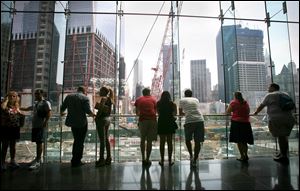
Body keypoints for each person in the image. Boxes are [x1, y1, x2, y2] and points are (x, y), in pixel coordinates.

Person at [253, 83, 295, 165]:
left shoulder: (270, 95)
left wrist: (256, 112)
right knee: (284, 137)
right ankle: (282, 153)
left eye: (269, 87)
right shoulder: (285, 94)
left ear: (273, 88)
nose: (268, 89)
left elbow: (262, 106)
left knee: (281, 137)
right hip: (289, 118)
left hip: (277, 119)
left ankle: (283, 156)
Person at [60, 86, 95, 167]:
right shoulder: (85, 98)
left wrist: (61, 113)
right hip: (81, 123)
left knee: (76, 140)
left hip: (72, 122)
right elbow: (88, 111)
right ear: (84, 91)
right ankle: (77, 160)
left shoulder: (69, 97)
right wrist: (94, 115)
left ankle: (74, 159)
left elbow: (63, 107)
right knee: (80, 141)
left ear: (77, 90)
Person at [20, 89, 51, 170]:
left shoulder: (46, 103)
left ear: (42, 94)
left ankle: (38, 160)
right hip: (35, 125)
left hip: (40, 125)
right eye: (35, 94)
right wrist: (19, 108)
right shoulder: (36, 103)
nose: (36, 95)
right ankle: (38, 158)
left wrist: (45, 122)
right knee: (37, 142)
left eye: (37, 94)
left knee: (39, 142)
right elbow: (28, 108)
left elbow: (49, 113)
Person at [179, 89, 204, 168]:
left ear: (185, 94)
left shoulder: (182, 100)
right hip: (200, 120)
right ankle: (195, 159)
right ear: (191, 94)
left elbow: (180, 113)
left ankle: (191, 155)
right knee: (198, 141)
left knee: (187, 139)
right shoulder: (196, 99)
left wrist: (186, 113)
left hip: (189, 121)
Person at [226, 91, 253, 162]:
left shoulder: (233, 102)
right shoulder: (245, 103)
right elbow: (248, 112)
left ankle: (242, 156)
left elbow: (228, 112)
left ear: (235, 96)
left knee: (239, 140)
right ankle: (246, 155)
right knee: (244, 141)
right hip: (246, 123)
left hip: (237, 123)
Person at [0, 91, 24, 170]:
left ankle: (12, 160)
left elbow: (19, 115)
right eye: (10, 96)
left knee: (13, 145)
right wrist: (6, 100)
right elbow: (2, 108)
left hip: (15, 128)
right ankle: (2, 162)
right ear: (7, 97)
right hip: (6, 128)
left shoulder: (16, 106)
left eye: (14, 96)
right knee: (5, 145)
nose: (12, 97)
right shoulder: (4, 105)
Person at [134, 88, 157, 167]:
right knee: (149, 141)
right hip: (152, 120)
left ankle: (143, 159)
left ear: (142, 93)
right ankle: (148, 159)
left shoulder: (138, 99)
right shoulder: (154, 99)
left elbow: (137, 112)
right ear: (149, 93)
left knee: (142, 140)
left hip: (143, 121)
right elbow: (156, 111)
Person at [94, 86, 114, 167]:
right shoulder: (110, 99)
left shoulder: (104, 99)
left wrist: (97, 117)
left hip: (102, 120)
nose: (99, 91)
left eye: (100, 90)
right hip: (107, 119)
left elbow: (101, 109)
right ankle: (108, 158)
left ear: (103, 92)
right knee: (106, 139)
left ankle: (101, 159)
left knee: (102, 140)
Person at [157, 91, 177, 166]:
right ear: (169, 96)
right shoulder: (173, 104)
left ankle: (162, 160)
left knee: (162, 142)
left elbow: (158, 113)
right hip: (170, 123)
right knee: (169, 142)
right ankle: (170, 160)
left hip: (161, 122)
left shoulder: (158, 103)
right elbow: (174, 114)